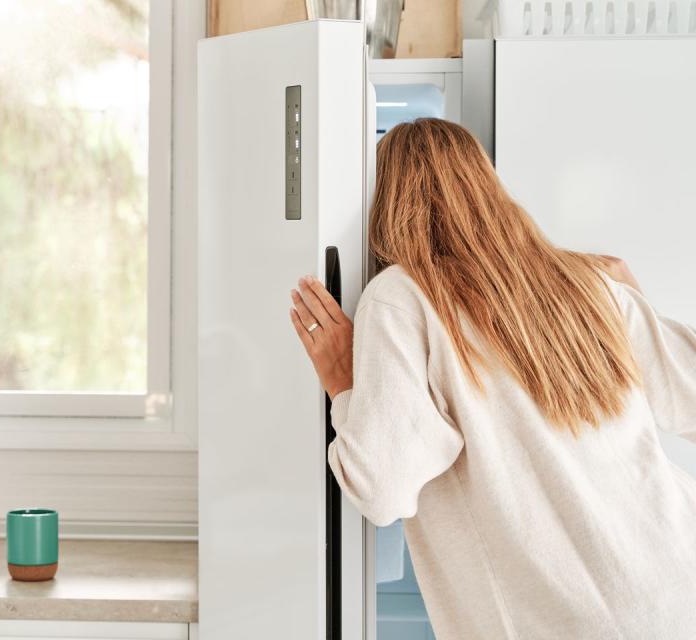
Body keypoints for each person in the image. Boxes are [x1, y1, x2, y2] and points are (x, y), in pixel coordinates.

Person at [289, 118, 696, 640]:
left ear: (382, 201)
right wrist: (631, 301)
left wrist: (344, 384)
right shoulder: (588, 282)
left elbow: (384, 490)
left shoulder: (401, 296)